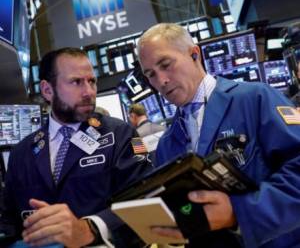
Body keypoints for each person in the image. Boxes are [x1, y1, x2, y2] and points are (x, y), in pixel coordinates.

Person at [137, 23, 300, 248]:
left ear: (195, 54)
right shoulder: (167, 144)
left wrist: (240, 212)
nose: (161, 81)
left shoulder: (255, 99)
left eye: (166, 65)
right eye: (151, 75)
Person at [2, 47, 151, 247]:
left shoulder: (122, 134)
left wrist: (91, 228)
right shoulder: (21, 153)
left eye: (92, 81)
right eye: (76, 82)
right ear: (47, 90)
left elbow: (145, 200)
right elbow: (8, 220)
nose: (89, 92)